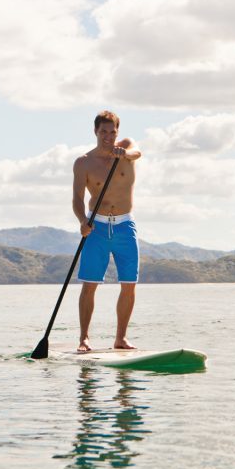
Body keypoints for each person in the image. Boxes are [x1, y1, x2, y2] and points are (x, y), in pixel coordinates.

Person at [72, 110, 142, 352]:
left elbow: (137, 153)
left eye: (112, 132)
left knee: (129, 283)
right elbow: (77, 199)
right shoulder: (83, 162)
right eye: (103, 132)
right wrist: (82, 221)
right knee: (90, 284)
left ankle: (120, 339)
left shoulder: (126, 148)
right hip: (97, 226)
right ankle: (84, 339)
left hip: (125, 225)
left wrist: (124, 153)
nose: (108, 137)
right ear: (95, 132)